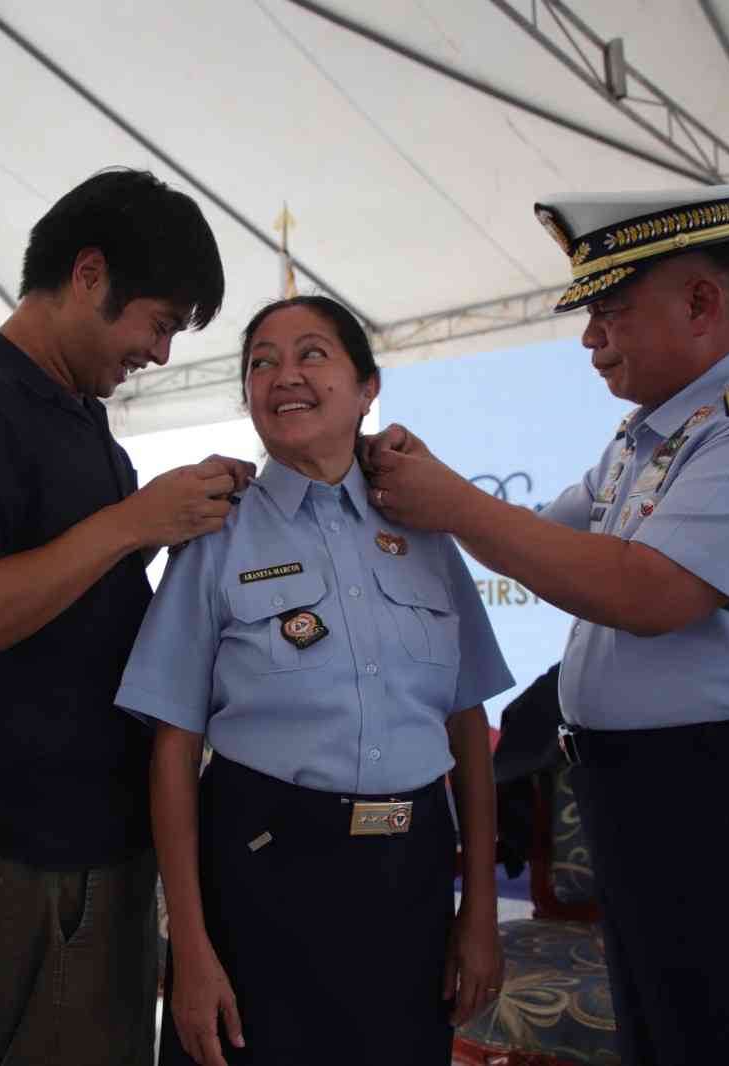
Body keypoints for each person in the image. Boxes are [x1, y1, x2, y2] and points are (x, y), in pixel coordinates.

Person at [365, 182, 729, 1066]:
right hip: (649, 808)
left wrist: (450, 501)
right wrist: (424, 492)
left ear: (702, 302)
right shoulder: (650, 438)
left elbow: (649, 595)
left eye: (611, 312)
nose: (590, 339)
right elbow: (543, 543)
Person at [0, 168, 252, 1066]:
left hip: (101, 836)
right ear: (89, 274)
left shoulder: (74, 414)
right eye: (157, 324)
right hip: (43, 850)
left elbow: (76, 592)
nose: (159, 355)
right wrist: (133, 522)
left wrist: (172, 528)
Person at [116, 295, 514, 1066]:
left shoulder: (425, 525)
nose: (283, 375)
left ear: (369, 386)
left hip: (410, 880)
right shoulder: (214, 530)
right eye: (260, 362)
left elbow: (466, 725)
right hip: (265, 876)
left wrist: (481, 913)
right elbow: (172, 750)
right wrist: (189, 950)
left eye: (311, 354)